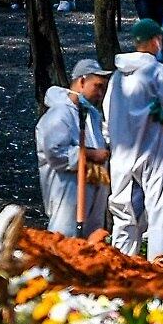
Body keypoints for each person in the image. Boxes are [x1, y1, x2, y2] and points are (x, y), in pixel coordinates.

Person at [104, 19, 163, 260]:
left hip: (122, 155)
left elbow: (108, 121)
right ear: (154, 41)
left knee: (123, 217)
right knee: (162, 214)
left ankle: (120, 271)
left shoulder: (117, 78)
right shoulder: (158, 73)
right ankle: (162, 272)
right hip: (155, 153)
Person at [35, 59, 112, 237]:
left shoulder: (91, 114)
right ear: (82, 81)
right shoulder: (60, 113)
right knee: (64, 239)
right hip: (67, 190)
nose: (100, 93)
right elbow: (55, 153)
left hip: (91, 189)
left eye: (103, 88)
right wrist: (92, 155)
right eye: (98, 86)